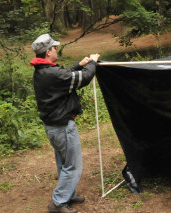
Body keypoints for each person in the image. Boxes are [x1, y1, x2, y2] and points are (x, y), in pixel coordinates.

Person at [30, 33, 100, 213]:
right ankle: (59, 202)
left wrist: (79, 64)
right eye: (54, 47)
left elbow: (64, 75)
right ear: (48, 52)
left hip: (53, 127)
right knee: (73, 165)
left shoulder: (42, 71)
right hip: (62, 127)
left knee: (64, 163)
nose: (56, 49)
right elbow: (83, 79)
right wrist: (92, 62)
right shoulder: (52, 74)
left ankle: (67, 195)